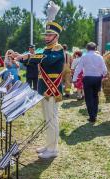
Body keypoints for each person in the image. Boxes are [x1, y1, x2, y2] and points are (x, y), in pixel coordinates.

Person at [16, 1, 64, 159]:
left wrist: (28, 56)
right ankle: (49, 145)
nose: (46, 37)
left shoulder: (57, 50)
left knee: (52, 119)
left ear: (56, 36)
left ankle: (54, 149)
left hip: (53, 89)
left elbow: (46, 61)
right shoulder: (46, 50)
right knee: (47, 119)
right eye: (46, 34)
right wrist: (21, 58)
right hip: (45, 88)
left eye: (49, 35)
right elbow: (35, 60)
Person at [73, 42, 107, 122]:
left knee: (88, 97)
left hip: (87, 78)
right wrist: (104, 75)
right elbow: (104, 69)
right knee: (95, 96)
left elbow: (78, 68)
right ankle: (94, 114)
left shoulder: (84, 57)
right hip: (97, 78)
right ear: (95, 49)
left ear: (87, 48)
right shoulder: (100, 57)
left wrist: (74, 79)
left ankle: (91, 115)